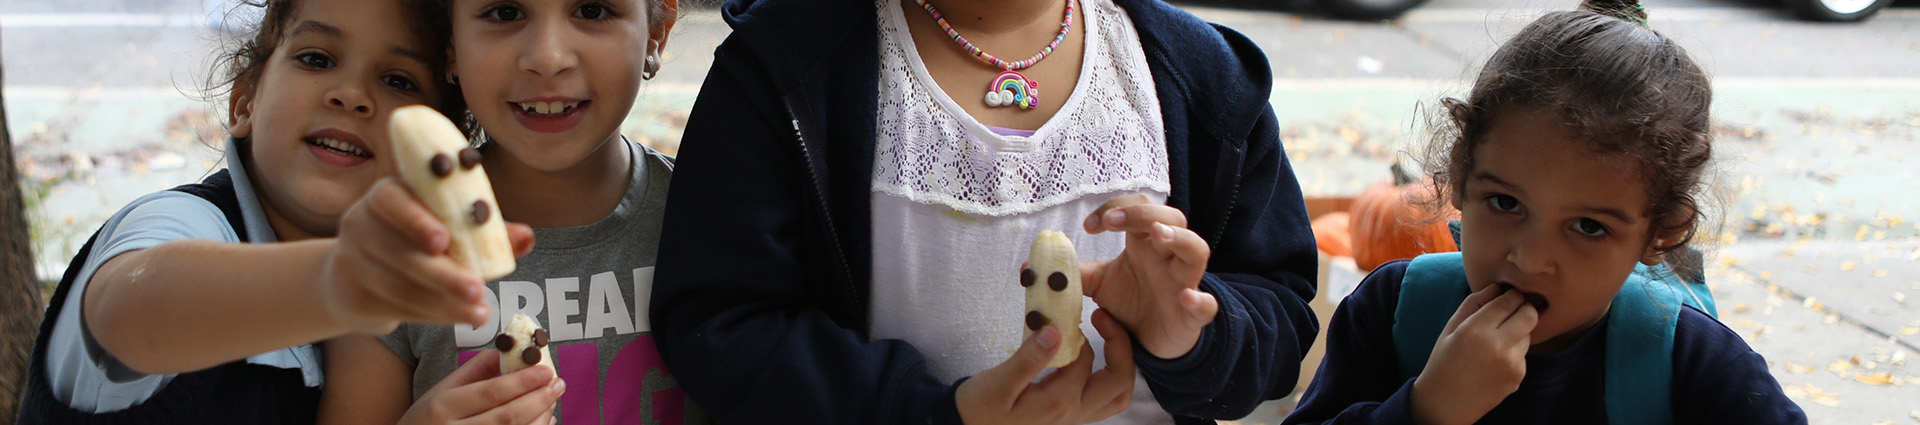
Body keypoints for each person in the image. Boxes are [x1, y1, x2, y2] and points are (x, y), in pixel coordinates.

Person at [649, 0, 1322, 423]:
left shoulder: (1201, 78)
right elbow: (721, 323)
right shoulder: (783, 67)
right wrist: (937, 413)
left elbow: (1281, 313)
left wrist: (1195, 334)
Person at [1281, 1, 1808, 423]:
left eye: (1589, 227)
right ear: (1460, 175)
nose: (1529, 259)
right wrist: (1428, 410)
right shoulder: (1392, 312)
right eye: (1506, 203)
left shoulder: (1694, 364)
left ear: (1661, 233)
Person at [15, 0, 527, 423]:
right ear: (244, 103)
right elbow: (129, 308)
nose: (351, 96)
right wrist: (335, 281)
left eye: (398, 80)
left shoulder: (387, 323)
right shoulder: (184, 221)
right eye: (317, 59)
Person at [318, 0, 698, 423]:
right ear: (451, 46)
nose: (548, 58)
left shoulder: (710, 221)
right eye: (505, 13)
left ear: (656, 33)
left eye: (592, 11)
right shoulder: (391, 248)